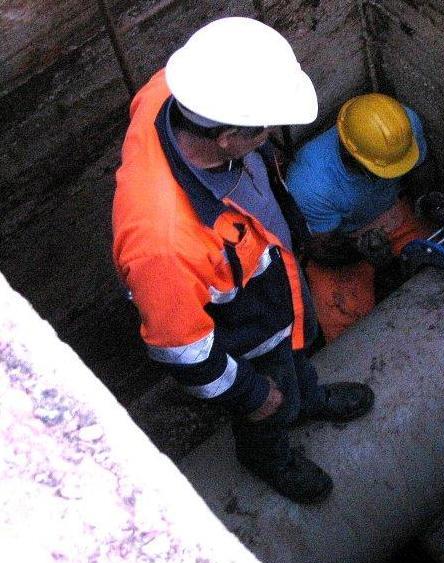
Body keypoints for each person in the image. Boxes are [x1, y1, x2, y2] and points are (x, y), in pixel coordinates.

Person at [111, 17, 374, 505]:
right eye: (264, 129)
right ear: (229, 138)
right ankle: (268, 456)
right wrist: (251, 394)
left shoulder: (175, 91)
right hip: (248, 336)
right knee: (271, 403)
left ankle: (306, 398)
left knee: (296, 357)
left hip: (275, 289)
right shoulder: (164, 244)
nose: (272, 134)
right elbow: (182, 349)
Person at [284, 93, 444, 343]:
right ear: (349, 154)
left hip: (397, 213)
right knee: (347, 328)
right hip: (343, 239)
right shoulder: (310, 183)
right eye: (382, 171)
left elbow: (421, 167)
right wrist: (360, 250)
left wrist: (425, 198)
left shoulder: (403, 130)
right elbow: (320, 247)